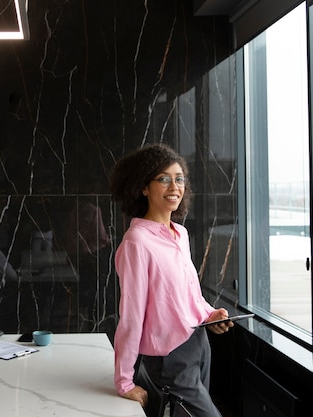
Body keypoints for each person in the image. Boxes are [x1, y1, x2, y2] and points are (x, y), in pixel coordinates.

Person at [109, 144, 232, 417]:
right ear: (144, 187)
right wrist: (124, 381)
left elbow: (188, 294)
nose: (174, 186)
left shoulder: (181, 233)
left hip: (198, 342)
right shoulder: (137, 242)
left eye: (179, 179)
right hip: (170, 356)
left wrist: (209, 314)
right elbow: (131, 316)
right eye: (163, 179)